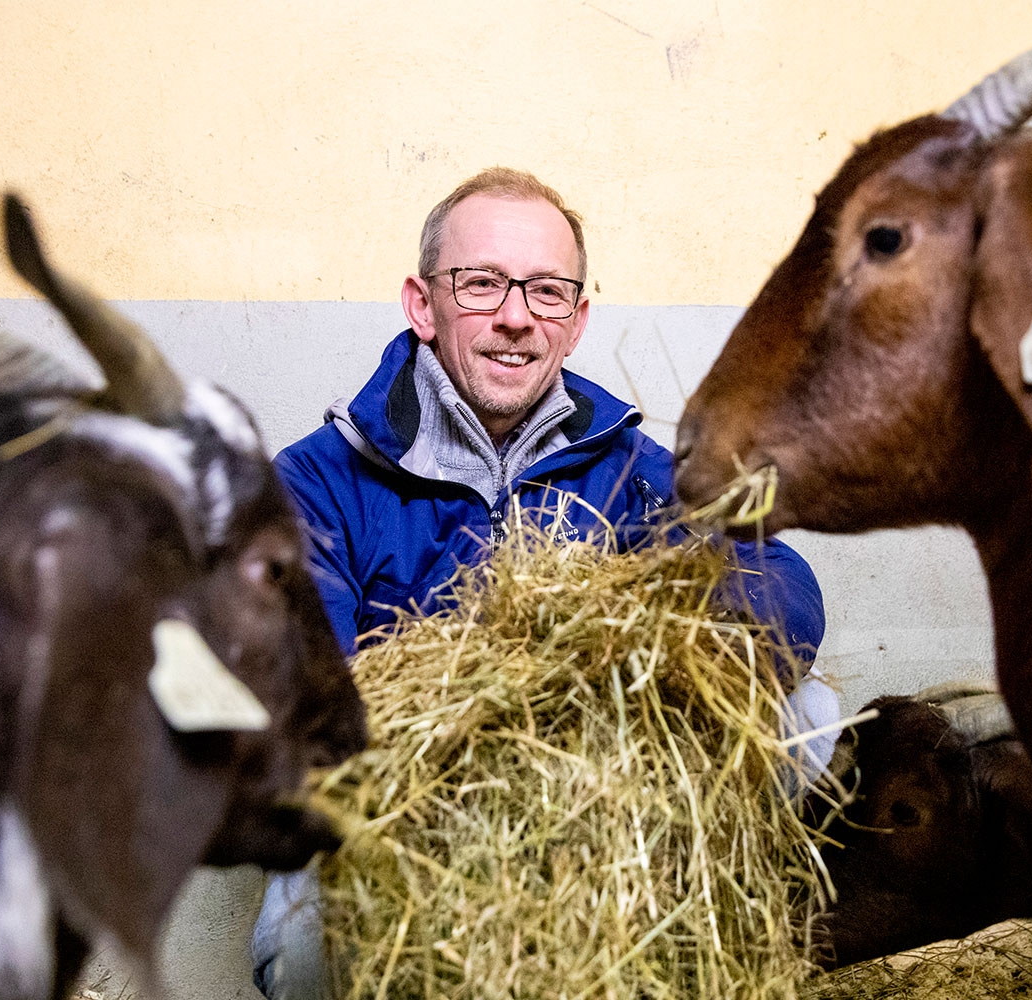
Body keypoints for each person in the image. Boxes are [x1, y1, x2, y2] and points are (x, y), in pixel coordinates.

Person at [250, 167, 837, 1000]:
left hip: (600, 829)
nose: (516, 317)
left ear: (578, 321)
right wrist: (478, 734)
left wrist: (653, 670)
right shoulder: (319, 483)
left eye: (548, 292)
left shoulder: (633, 469)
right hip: (398, 833)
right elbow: (308, 685)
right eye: (482, 283)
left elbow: (775, 576)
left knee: (807, 717)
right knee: (310, 948)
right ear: (423, 305)